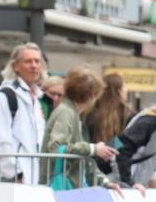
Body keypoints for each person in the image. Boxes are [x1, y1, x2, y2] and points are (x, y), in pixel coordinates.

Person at [41, 65, 126, 193]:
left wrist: (105, 182)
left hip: (65, 187)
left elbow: (83, 160)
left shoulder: (70, 113)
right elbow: (56, 147)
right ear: (93, 95)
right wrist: (92, 148)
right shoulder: (66, 113)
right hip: (59, 189)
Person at [0, 42, 46, 184]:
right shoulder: (5, 96)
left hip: (35, 179)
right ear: (15, 66)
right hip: (15, 180)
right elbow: (0, 139)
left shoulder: (37, 98)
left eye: (37, 61)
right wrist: (16, 174)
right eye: (28, 61)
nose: (34, 65)